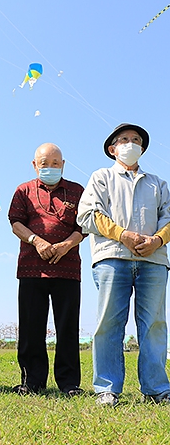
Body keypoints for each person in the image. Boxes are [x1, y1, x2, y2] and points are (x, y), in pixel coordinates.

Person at [77, 123, 170, 406]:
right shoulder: (101, 177)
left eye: (137, 140)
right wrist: (123, 235)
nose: (131, 144)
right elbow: (88, 215)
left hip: (153, 260)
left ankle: (156, 388)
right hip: (112, 258)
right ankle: (107, 387)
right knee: (109, 322)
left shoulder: (157, 183)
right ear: (112, 148)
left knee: (154, 323)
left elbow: (169, 218)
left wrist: (157, 240)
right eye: (125, 140)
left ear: (142, 148)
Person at [8, 143, 84, 396]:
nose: (49, 168)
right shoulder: (23, 190)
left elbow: (83, 227)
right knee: (31, 328)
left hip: (68, 270)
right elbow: (15, 222)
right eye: (44, 163)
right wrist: (37, 241)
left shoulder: (77, 191)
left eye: (55, 163)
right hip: (31, 269)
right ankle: (32, 382)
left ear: (63, 165)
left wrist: (65, 245)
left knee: (68, 328)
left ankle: (69, 383)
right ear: (34, 165)